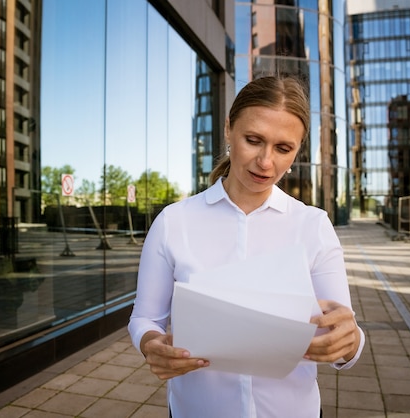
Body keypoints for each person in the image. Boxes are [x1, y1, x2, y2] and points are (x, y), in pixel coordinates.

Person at [128, 75, 365, 418]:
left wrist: (349, 341)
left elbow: (346, 334)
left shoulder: (312, 225)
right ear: (229, 129)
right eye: (253, 140)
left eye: (284, 148)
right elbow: (146, 317)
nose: (266, 162)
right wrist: (151, 344)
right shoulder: (174, 222)